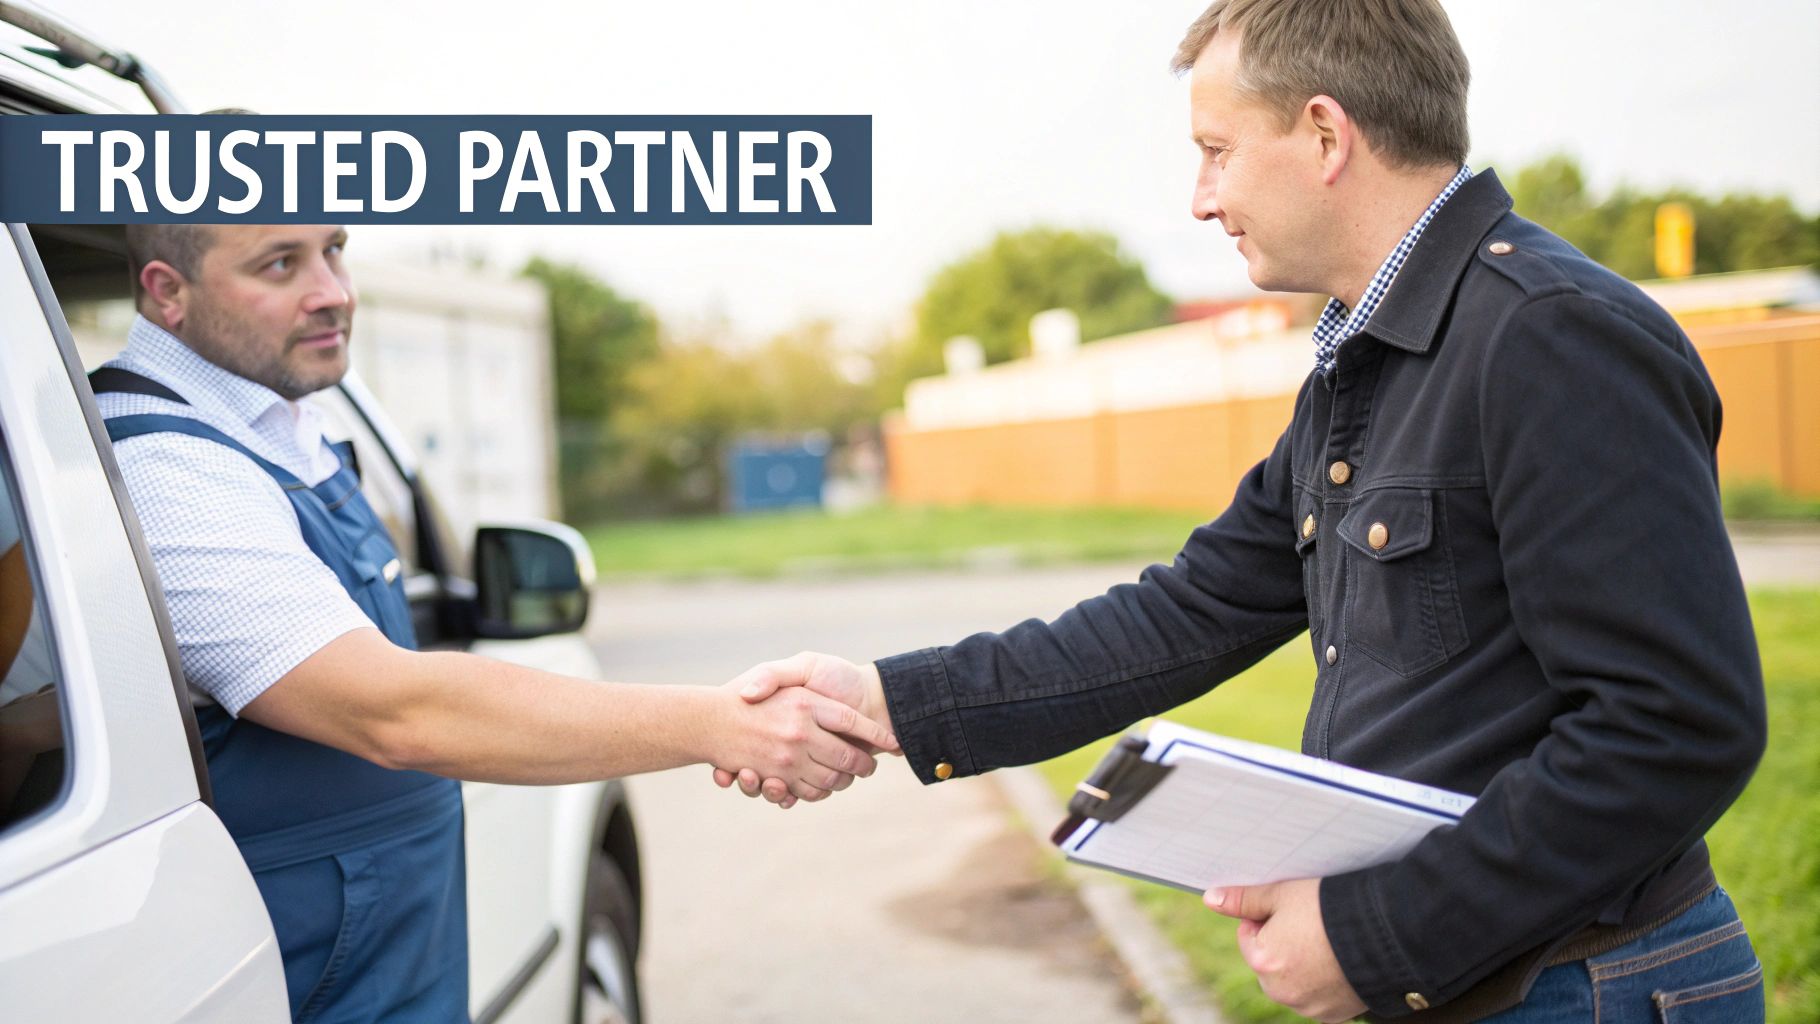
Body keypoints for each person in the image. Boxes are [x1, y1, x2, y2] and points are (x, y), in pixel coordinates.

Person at [715, 2, 1768, 1020]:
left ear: (1321, 135)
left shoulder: (1548, 338)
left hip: (1583, 989)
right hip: (1482, 983)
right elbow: (1190, 611)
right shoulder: (1363, 367)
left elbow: (1672, 726)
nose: (1199, 198)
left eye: (1214, 150)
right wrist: (890, 702)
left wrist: (1371, 937)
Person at [92, 221, 896, 1022]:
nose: (334, 292)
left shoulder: (283, 422)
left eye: (334, 250)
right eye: (280, 264)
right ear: (168, 291)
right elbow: (395, 709)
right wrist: (725, 725)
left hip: (384, 958)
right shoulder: (162, 470)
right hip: (306, 974)